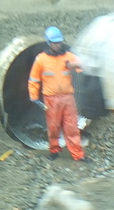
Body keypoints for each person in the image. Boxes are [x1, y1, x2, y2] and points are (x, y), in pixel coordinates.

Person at [29, 26, 85, 161]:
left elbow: (83, 65)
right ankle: (54, 150)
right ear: (49, 43)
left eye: (59, 42)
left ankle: (77, 155)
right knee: (53, 127)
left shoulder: (68, 56)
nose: (58, 45)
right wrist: (34, 97)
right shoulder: (41, 59)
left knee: (72, 127)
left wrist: (74, 66)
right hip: (51, 99)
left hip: (68, 98)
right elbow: (34, 79)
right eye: (55, 43)